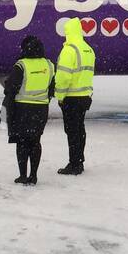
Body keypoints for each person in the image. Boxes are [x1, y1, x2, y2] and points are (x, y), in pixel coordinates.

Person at [2, 34, 53, 185]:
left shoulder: (21, 65)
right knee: (35, 141)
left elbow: (12, 87)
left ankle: (23, 175)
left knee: (22, 142)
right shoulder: (49, 65)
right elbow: (52, 86)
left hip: (23, 108)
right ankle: (34, 175)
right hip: (41, 109)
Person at [53, 17, 95, 175]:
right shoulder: (87, 49)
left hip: (72, 97)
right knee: (80, 130)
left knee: (72, 131)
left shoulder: (69, 50)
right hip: (85, 96)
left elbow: (64, 77)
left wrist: (60, 95)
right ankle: (79, 161)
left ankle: (74, 164)